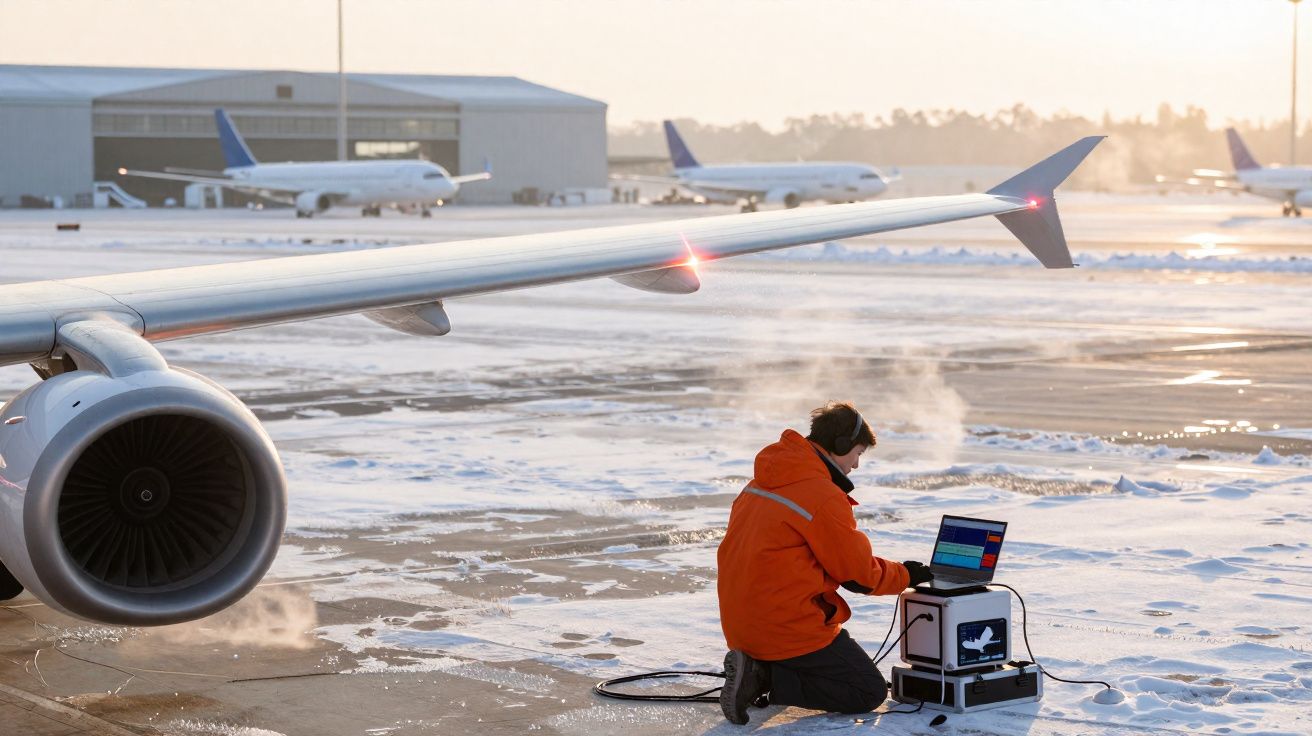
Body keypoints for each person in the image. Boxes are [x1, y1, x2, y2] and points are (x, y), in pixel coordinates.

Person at [715, 401, 934, 725]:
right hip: (784, 626)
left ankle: (758, 667)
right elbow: (859, 576)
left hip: (741, 623)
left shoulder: (761, 482)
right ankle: (762, 677)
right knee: (867, 691)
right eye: (857, 453)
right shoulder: (821, 495)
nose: (857, 464)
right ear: (841, 445)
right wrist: (907, 575)